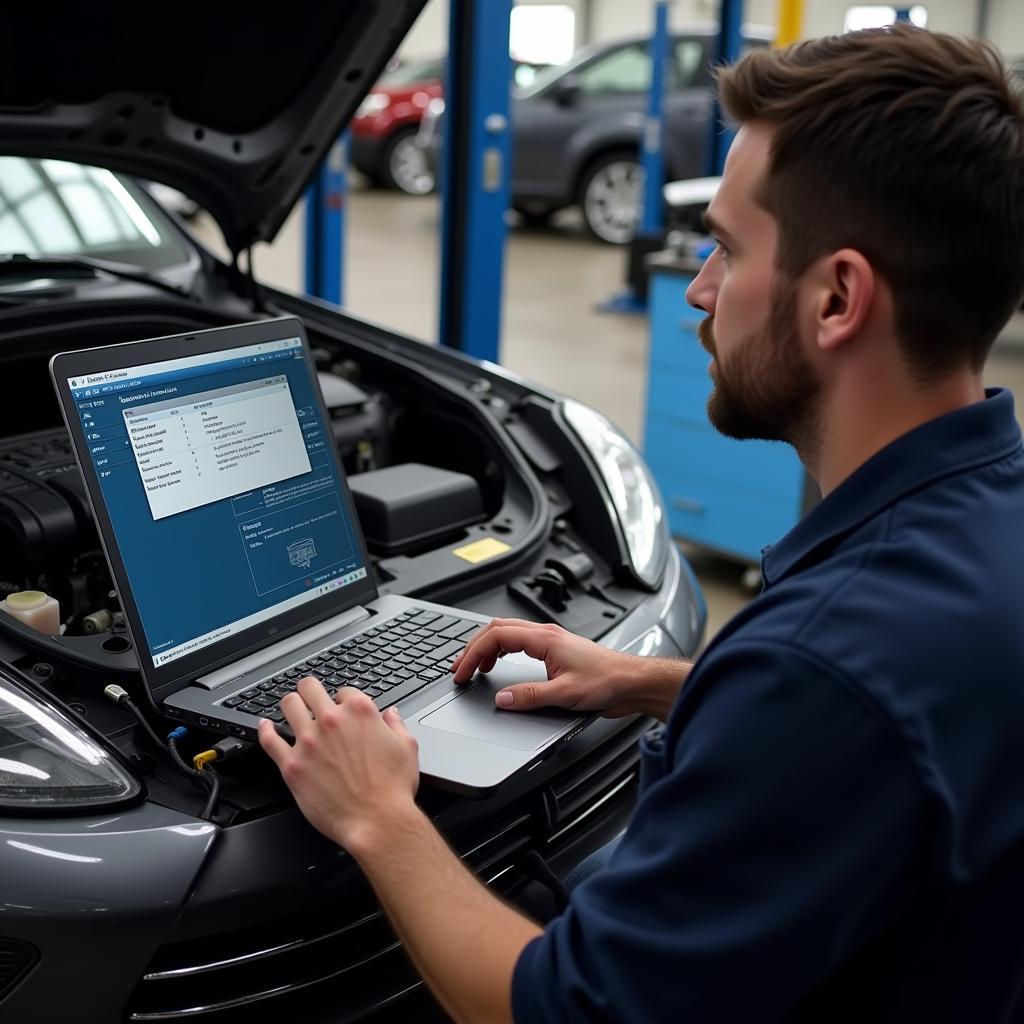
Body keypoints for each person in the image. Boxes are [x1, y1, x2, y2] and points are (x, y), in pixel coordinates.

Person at [258, 24, 1024, 1023]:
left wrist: (377, 816)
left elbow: (562, 1010)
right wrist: (663, 683)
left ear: (838, 297)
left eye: (729, 247)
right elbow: (901, 728)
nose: (698, 291)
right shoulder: (984, 518)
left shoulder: (820, 666)